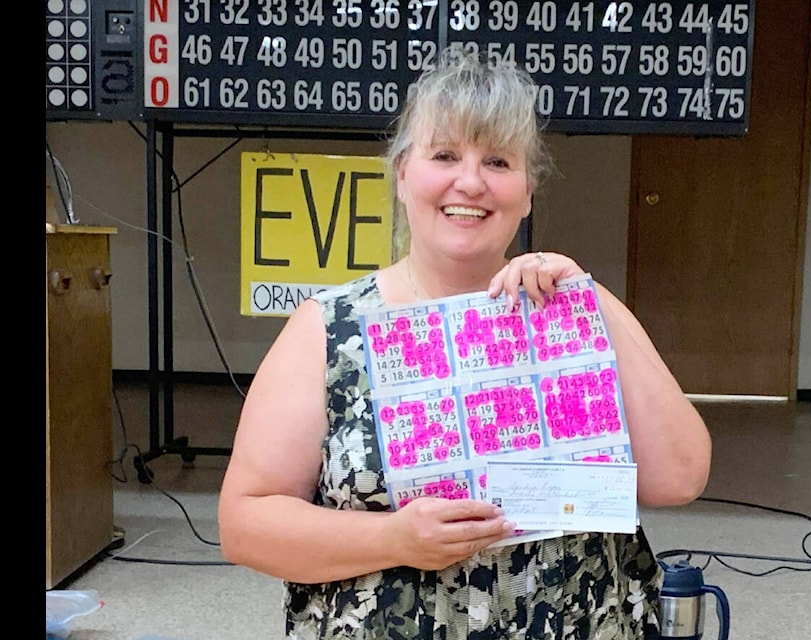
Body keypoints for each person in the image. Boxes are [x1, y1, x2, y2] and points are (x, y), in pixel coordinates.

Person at [218, 49, 712, 640]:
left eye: (498, 160)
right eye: (445, 155)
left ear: (528, 191)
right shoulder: (329, 330)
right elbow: (244, 524)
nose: (471, 181)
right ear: (402, 174)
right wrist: (393, 539)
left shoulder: (571, 315)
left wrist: (589, 298)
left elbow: (680, 477)